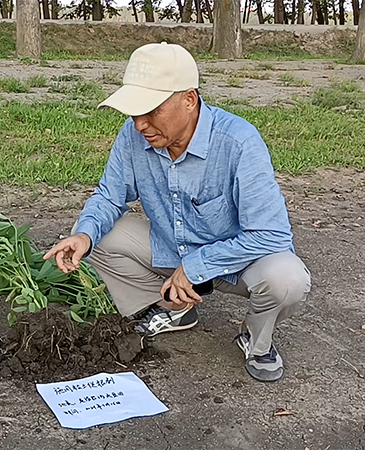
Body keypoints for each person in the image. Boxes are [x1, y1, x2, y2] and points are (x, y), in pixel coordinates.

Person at [44, 43, 311, 382]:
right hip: (175, 248)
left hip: (238, 262)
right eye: (133, 112)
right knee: (97, 236)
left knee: (287, 279)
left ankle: (255, 338)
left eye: (151, 110)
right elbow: (109, 197)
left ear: (188, 99)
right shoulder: (133, 136)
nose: (140, 124)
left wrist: (196, 266)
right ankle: (174, 310)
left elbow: (271, 234)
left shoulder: (239, 142)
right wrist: (83, 235)